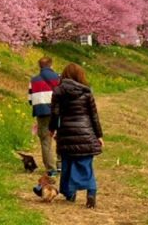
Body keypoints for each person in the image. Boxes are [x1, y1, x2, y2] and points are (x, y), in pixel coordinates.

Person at [49, 63, 103, 209]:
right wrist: (99, 135)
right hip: (86, 132)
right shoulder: (87, 92)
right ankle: (91, 192)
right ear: (80, 75)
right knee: (86, 164)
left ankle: (70, 193)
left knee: (67, 163)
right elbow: (94, 116)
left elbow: (55, 113)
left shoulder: (58, 92)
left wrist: (52, 129)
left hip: (66, 132)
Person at [27, 57, 60, 175]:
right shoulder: (58, 77)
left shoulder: (34, 80)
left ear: (39, 66)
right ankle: (60, 164)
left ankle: (51, 169)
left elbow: (30, 100)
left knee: (46, 140)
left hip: (41, 112)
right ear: (51, 65)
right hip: (58, 111)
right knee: (61, 137)